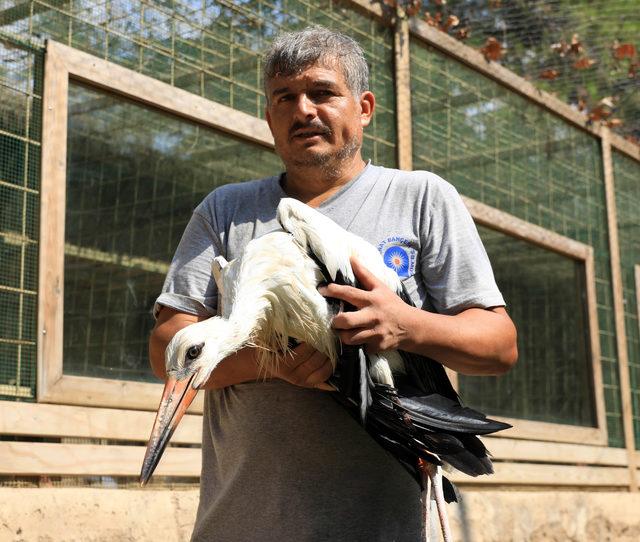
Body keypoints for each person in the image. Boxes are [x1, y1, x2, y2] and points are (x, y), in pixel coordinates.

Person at [149, 26, 517, 542]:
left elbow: (498, 346)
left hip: (381, 526)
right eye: (285, 98)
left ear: (363, 107)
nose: (303, 111)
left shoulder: (421, 198)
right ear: (269, 116)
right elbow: (171, 346)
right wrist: (280, 361)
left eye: (322, 93)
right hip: (237, 524)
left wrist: (403, 325)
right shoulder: (224, 210)